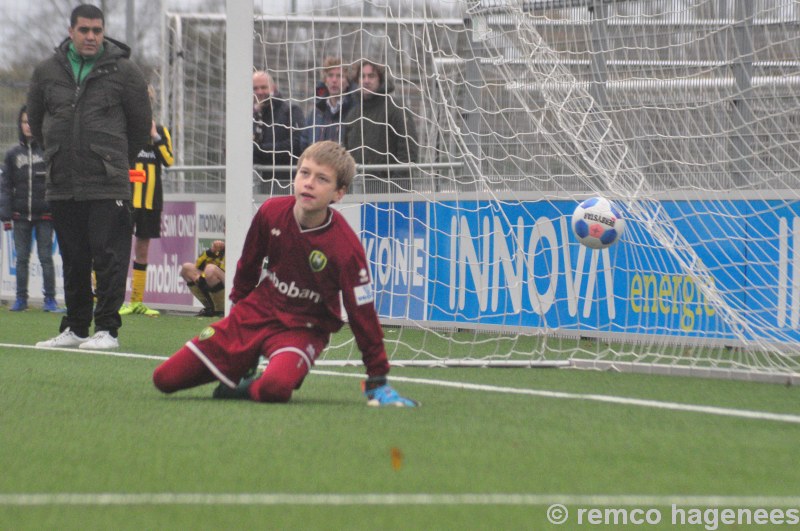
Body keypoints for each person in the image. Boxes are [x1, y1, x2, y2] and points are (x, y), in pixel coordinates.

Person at [153, 141, 418, 407]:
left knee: (275, 389)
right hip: (255, 314)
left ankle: (247, 388)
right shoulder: (271, 212)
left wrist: (377, 377)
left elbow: (362, 313)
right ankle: (244, 365)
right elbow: (248, 267)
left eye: (322, 179)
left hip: (303, 329)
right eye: (304, 173)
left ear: (339, 193)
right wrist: (237, 319)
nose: (309, 183)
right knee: (164, 379)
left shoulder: (346, 248)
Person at [27, 4, 152, 350]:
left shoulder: (125, 72)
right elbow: (36, 122)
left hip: (107, 181)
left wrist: (112, 161)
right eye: (84, 30)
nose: (91, 36)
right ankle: (77, 327)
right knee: (73, 257)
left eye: (97, 30)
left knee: (108, 257)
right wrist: (57, 154)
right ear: (71, 32)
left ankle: (108, 330)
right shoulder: (45, 72)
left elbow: (141, 128)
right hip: (63, 181)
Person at [119, 86, 175, 317]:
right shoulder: (124, 130)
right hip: (125, 200)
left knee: (142, 251)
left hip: (150, 202)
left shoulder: (160, 131)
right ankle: (111, 299)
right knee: (118, 249)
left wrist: (155, 137)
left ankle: (136, 301)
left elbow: (169, 160)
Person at [0, 105, 61, 313]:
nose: (28, 126)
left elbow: (56, 181)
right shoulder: (12, 155)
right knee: (22, 258)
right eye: (25, 122)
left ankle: (50, 300)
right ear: (20, 124)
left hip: (45, 215)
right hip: (19, 215)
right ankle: (20, 299)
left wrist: (55, 208)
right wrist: (6, 213)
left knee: (46, 257)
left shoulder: (48, 151)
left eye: (32, 122)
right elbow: (5, 185)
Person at [343, 60, 419, 192]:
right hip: (358, 192)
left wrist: (395, 188)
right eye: (363, 76)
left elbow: (408, 151)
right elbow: (346, 153)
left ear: (380, 80)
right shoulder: (353, 114)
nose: (366, 81)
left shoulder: (396, 108)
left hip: (390, 193)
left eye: (371, 76)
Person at [252, 71, 306, 192]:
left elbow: (296, 145)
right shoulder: (249, 116)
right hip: (255, 186)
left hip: (285, 184)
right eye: (255, 88)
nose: (259, 92)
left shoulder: (291, 111)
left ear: (273, 88)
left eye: (263, 87)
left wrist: (259, 149)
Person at [303, 56, 354, 146]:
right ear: (325, 81)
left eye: (339, 76)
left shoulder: (354, 112)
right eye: (330, 75)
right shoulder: (315, 115)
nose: (334, 80)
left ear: (347, 82)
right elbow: (304, 143)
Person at [180, 240, 226, 317]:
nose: (225, 229)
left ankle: (221, 310)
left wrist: (203, 276)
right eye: (224, 227)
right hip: (223, 278)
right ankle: (210, 308)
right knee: (186, 268)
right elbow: (198, 264)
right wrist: (211, 251)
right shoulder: (220, 247)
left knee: (210, 270)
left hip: (234, 283)